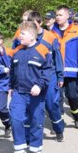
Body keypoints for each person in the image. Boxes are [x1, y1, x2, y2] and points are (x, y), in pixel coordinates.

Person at [9, 22, 52, 153]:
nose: (19, 36)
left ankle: (35, 149)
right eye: (19, 33)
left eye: (22, 34)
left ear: (32, 35)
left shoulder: (43, 50)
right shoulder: (17, 51)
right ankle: (19, 149)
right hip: (19, 93)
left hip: (36, 95)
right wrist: (10, 87)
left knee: (36, 121)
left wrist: (39, 86)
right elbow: (12, 72)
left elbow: (47, 71)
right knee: (15, 119)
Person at [27, 11, 65, 142]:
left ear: (41, 23)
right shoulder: (25, 37)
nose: (32, 27)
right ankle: (31, 133)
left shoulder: (50, 37)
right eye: (30, 25)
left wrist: (60, 76)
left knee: (50, 104)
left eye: (35, 25)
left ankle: (59, 129)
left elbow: (57, 57)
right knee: (32, 106)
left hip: (50, 75)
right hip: (33, 76)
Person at [52, 5, 78, 129]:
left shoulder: (77, 31)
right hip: (56, 72)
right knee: (57, 99)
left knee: (72, 96)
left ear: (68, 16)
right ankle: (59, 123)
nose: (57, 17)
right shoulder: (52, 32)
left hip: (72, 72)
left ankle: (77, 116)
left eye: (60, 15)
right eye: (56, 15)